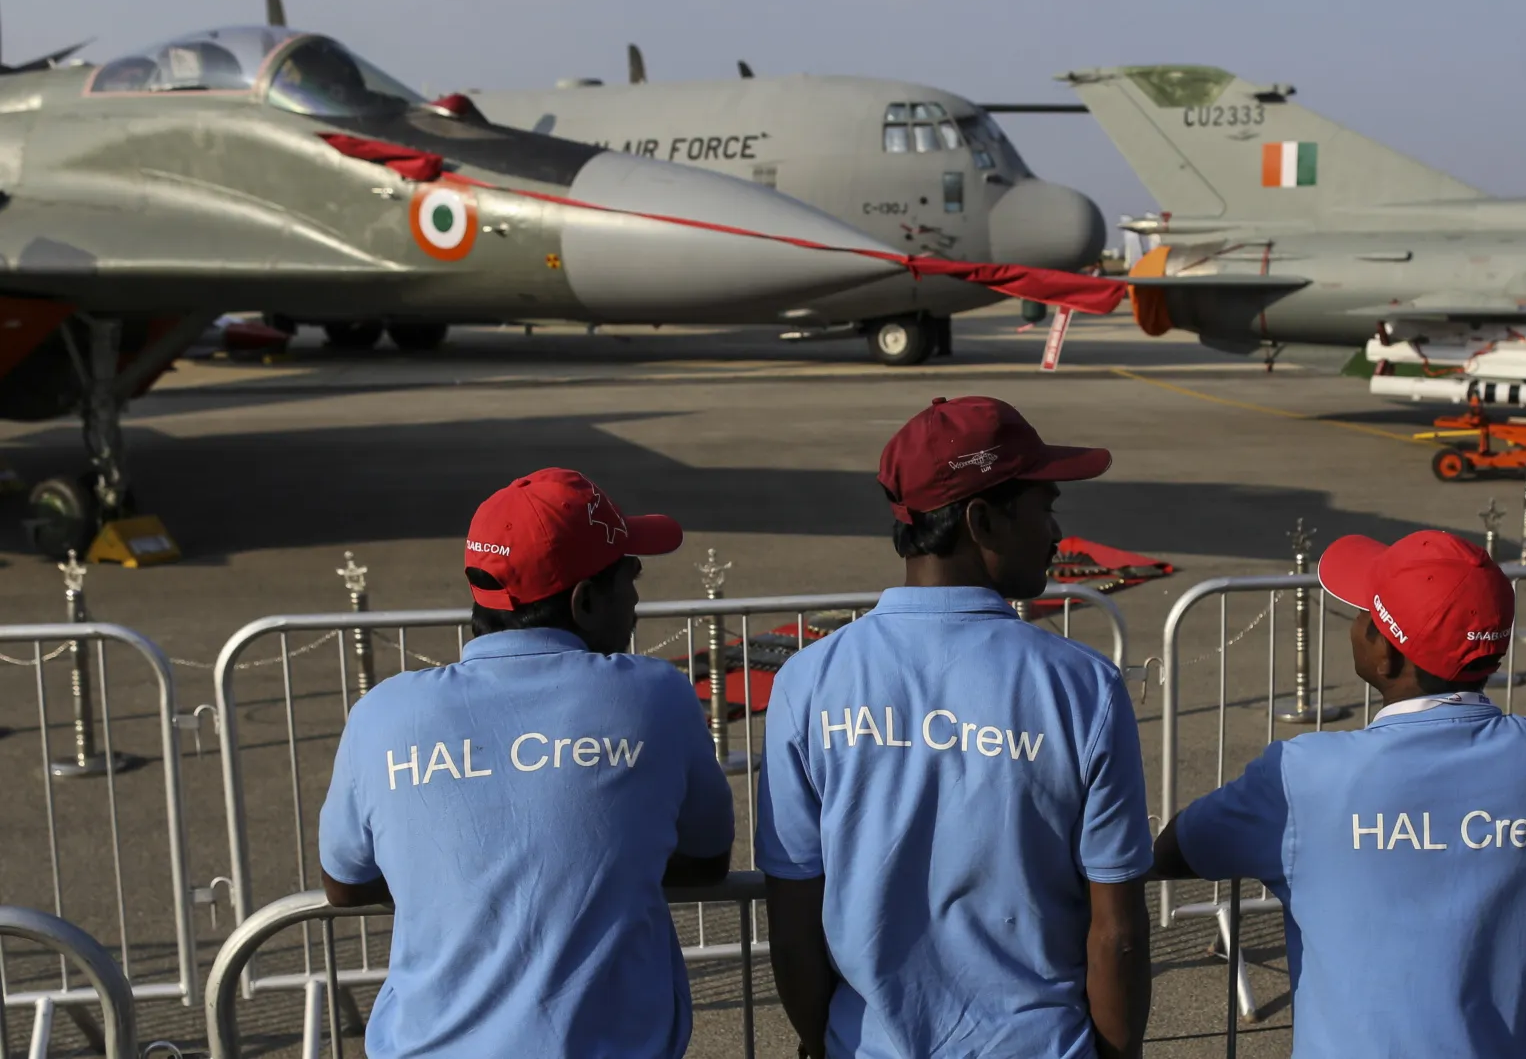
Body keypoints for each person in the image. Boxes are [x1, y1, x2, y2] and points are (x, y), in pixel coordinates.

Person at [756, 396, 1153, 1059]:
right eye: (1045, 507)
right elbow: (1117, 933)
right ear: (982, 520)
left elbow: (794, 923)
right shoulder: (1082, 686)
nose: (1056, 534)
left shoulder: (810, 681)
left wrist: (818, 1038)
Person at [318, 468, 736, 1059]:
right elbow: (706, 857)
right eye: (630, 576)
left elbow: (345, 883)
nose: (638, 598)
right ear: (586, 601)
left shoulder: (383, 714)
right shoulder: (654, 696)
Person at [1153, 530, 1526, 1059]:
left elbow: (1178, 849)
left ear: (1388, 657)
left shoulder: (1305, 773)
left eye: (1365, 615)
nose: (1354, 626)